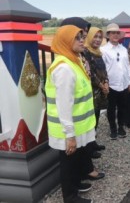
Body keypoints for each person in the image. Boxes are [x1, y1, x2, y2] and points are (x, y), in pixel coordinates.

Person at [45, 25, 95, 203]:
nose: (82, 40)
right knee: (68, 162)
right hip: (67, 128)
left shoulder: (73, 61)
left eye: (82, 36)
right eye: (77, 37)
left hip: (76, 125)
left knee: (73, 161)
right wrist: (70, 135)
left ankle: (74, 186)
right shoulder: (64, 68)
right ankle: (70, 197)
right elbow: (64, 105)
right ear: (66, 41)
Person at [60, 17, 105, 181]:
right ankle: (83, 173)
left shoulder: (79, 55)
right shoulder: (66, 62)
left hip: (85, 107)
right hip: (73, 114)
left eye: (84, 34)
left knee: (86, 138)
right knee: (77, 145)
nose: (83, 39)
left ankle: (85, 170)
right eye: (80, 34)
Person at [101, 23, 130, 140]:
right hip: (111, 84)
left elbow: (128, 66)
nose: (115, 35)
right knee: (111, 108)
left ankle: (121, 127)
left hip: (124, 83)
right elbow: (102, 69)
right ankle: (113, 129)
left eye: (117, 33)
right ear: (108, 35)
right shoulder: (103, 50)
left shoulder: (124, 49)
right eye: (112, 33)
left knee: (122, 107)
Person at [82, 27, 108, 158]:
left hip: (100, 90)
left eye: (100, 37)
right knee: (90, 120)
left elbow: (104, 70)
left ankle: (93, 143)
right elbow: (89, 73)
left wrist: (106, 82)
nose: (98, 40)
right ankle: (89, 148)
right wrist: (101, 85)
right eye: (95, 36)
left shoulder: (98, 52)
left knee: (96, 118)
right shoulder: (85, 52)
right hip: (92, 91)